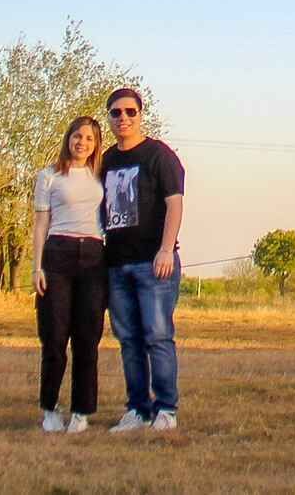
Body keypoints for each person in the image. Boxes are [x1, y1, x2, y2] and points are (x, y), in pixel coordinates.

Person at [99, 87, 185, 433]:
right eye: (116, 113)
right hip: (117, 263)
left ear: (140, 114)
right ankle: (138, 409)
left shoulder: (159, 156)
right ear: (109, 118)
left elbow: (174, 203)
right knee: (129, 339)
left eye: (130, 112)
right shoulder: (105, 160)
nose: (123, 118)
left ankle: (166, 409)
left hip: (154, 263)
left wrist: (166, 249)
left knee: (158, 335)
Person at [29, 114, 109, 434]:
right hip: (57, 256)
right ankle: (50, 408)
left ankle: (81, 411)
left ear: (95, 144)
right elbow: (40, 224)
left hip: (93, 257)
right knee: (54, 337)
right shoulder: (48, 176)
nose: (82, 143)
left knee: (87, 339)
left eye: (89, 139)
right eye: (78, 136)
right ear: (68, 138)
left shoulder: (101, 176)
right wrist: (37, 267)